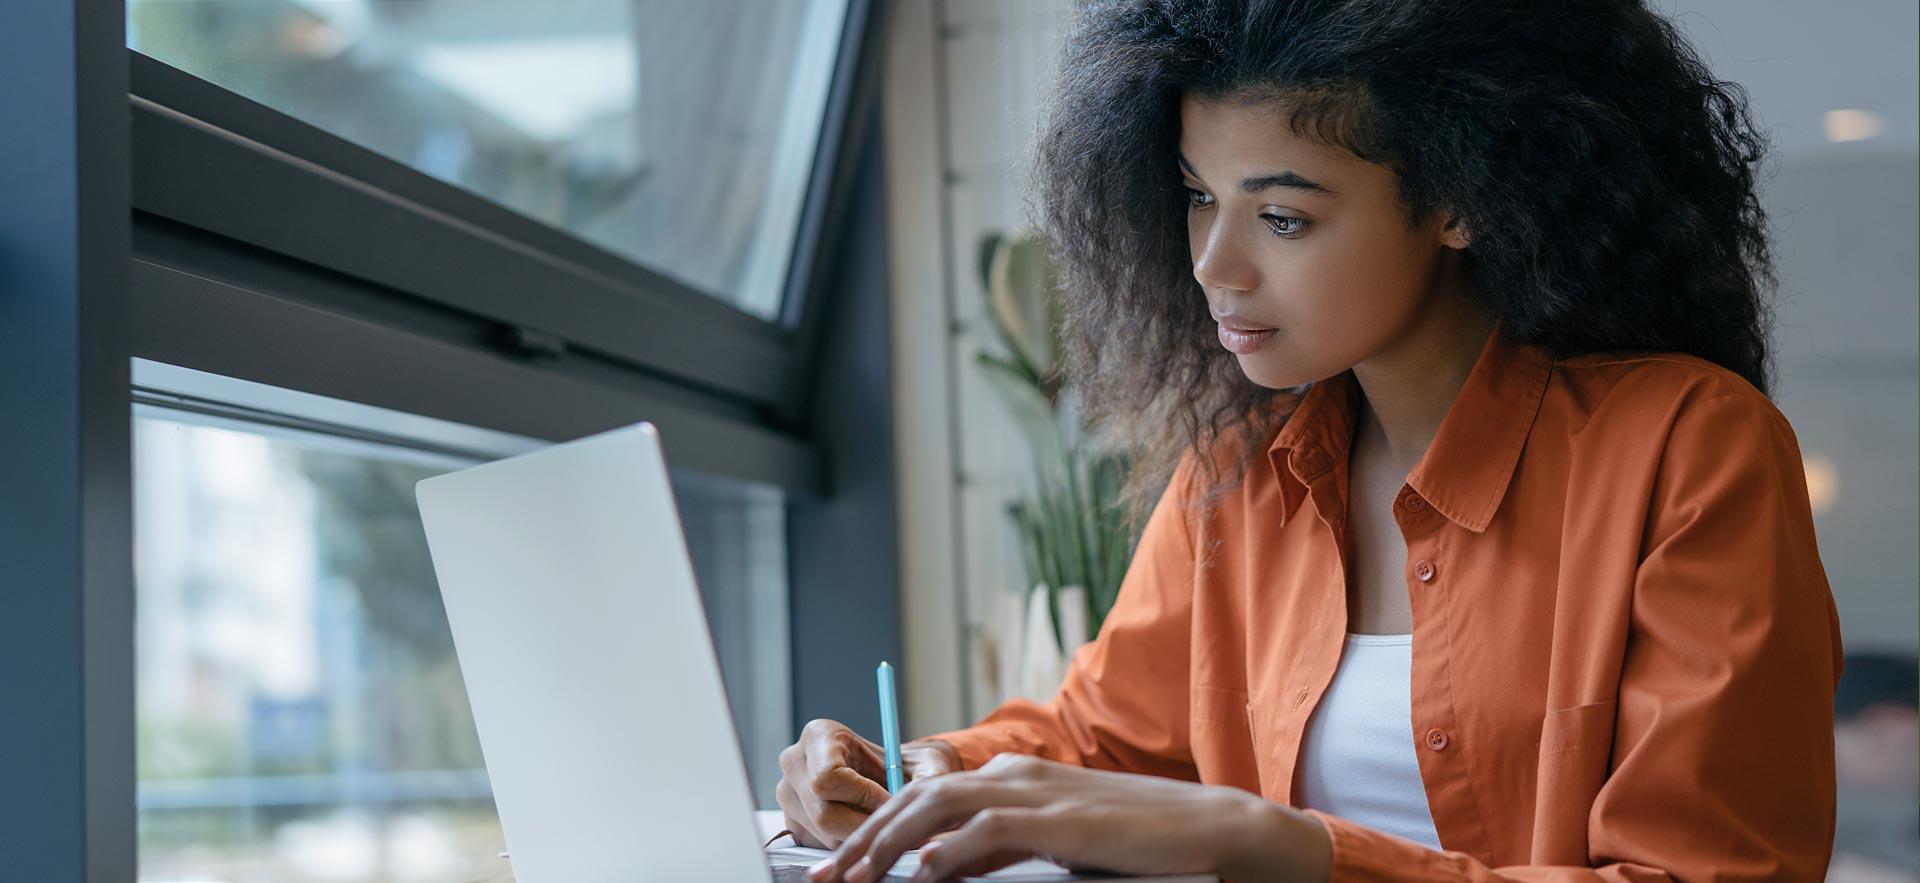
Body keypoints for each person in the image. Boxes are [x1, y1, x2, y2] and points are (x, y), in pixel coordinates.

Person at [780, 1, 1845, 881]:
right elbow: (1093, 738)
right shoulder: (1236, 474)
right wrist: (912, 775)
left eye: (1283, 216)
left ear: (1460, 203)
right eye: (1200, 198)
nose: (1214, 265)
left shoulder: (1690, 449)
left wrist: (1271, 842)